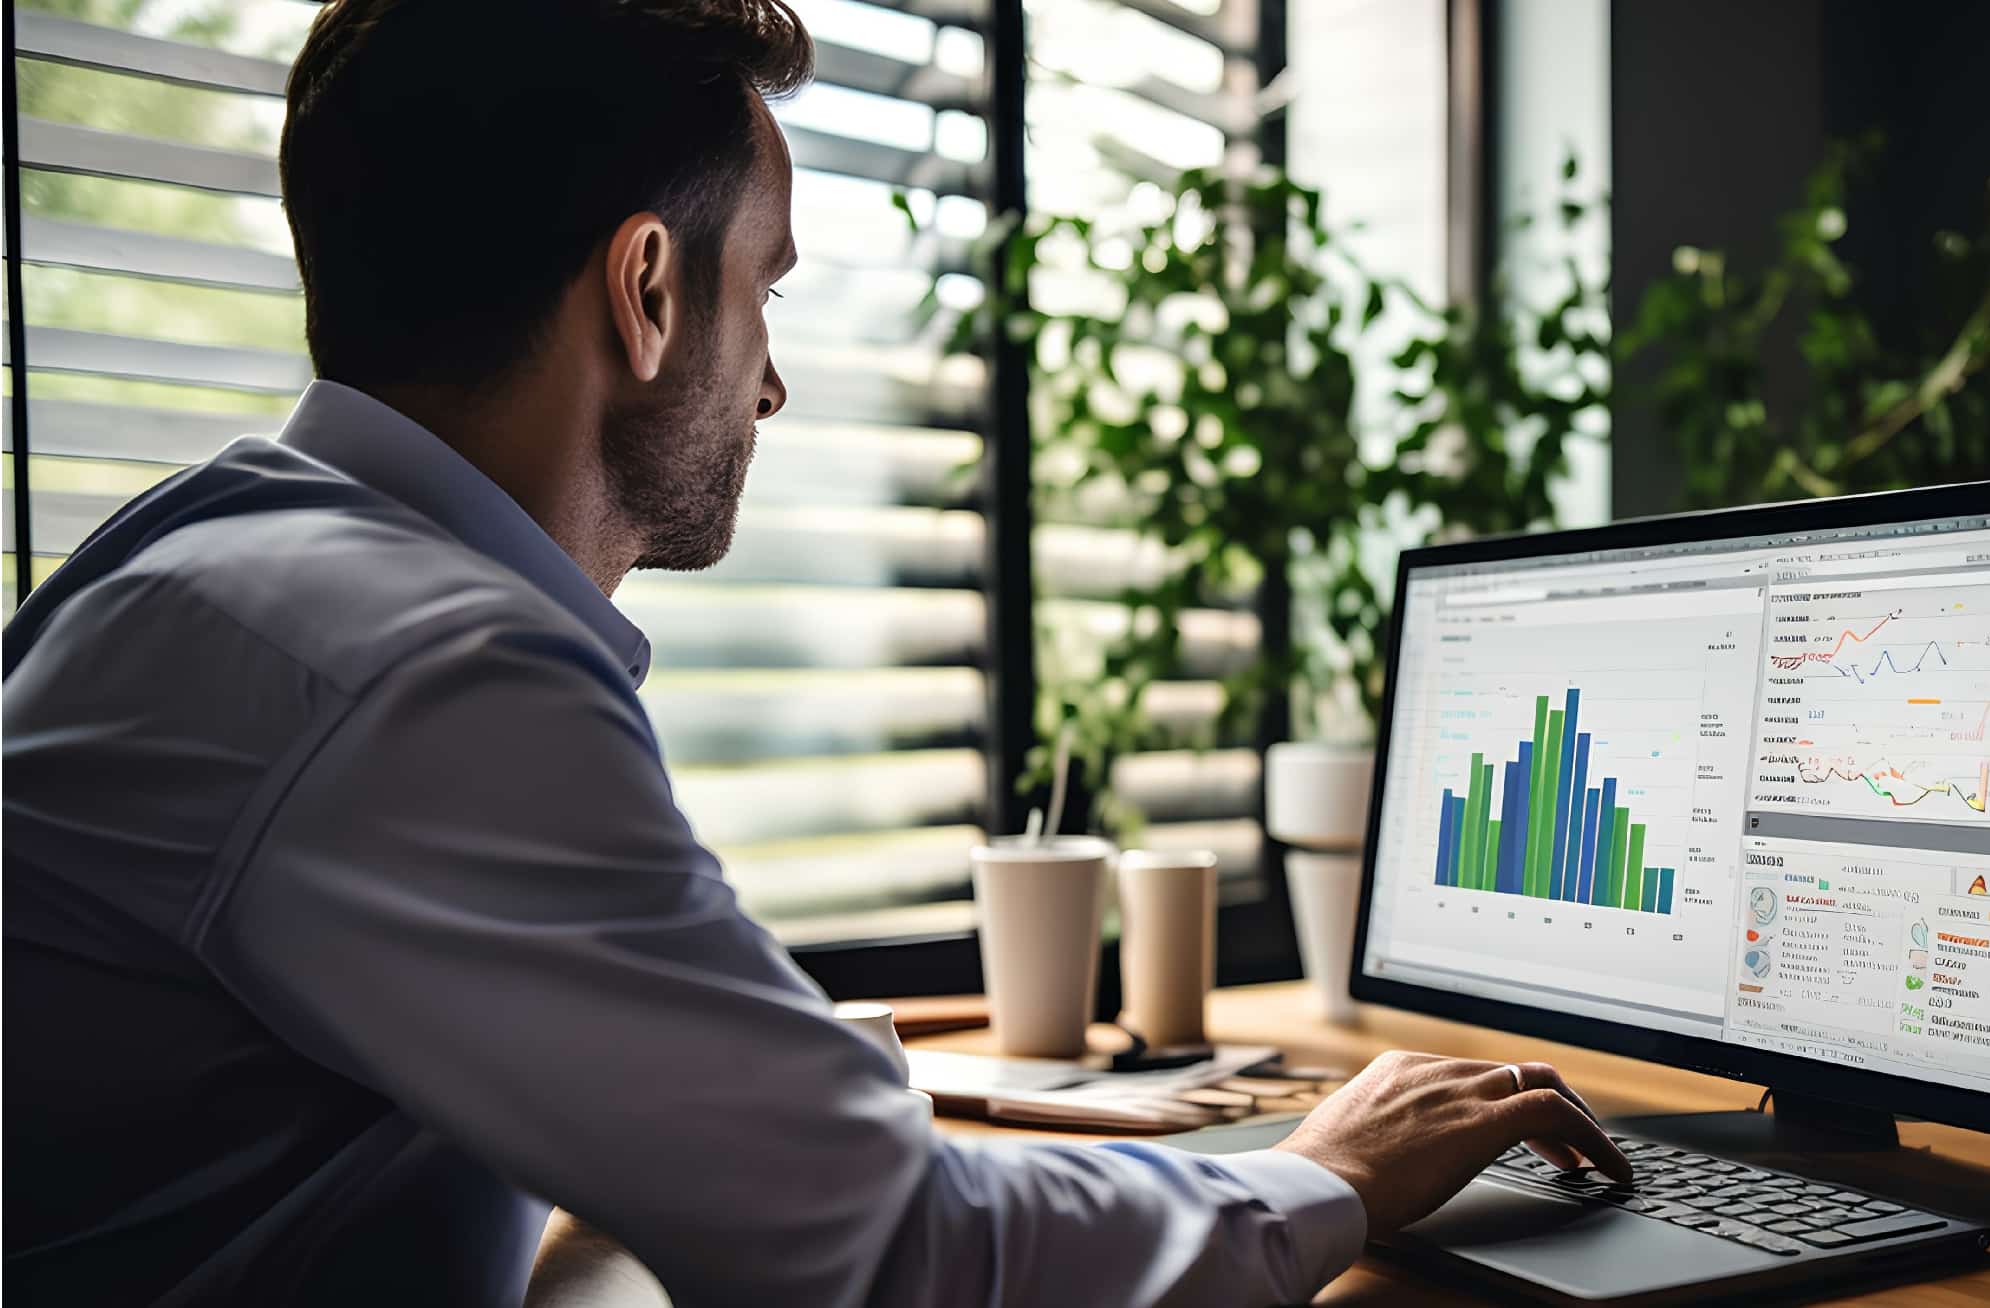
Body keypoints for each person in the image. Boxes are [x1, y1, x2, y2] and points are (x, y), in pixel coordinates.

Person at [0, 2, 1630, 1305]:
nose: (769, 386)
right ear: (645, 289)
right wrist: (1332, 1169)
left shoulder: (236, 562)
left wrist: (773, 1077)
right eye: (763, 293)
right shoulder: (413, 665)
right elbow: (904, 1259)